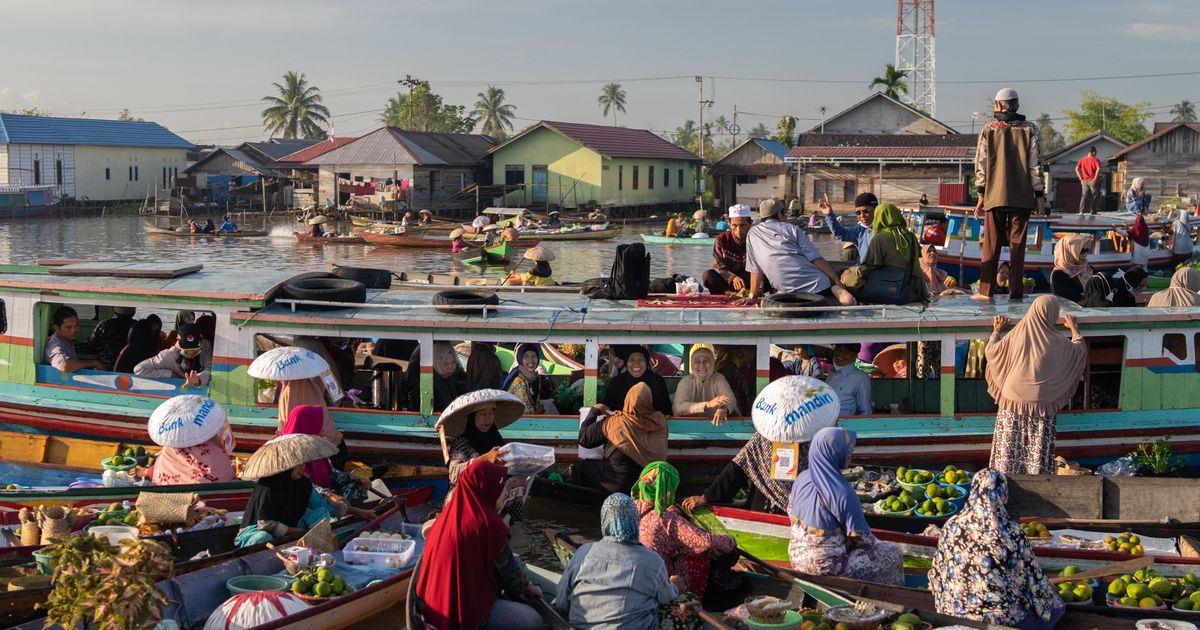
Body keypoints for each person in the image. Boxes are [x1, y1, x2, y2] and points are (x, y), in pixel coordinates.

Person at [415, 460, 543, 630]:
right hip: (463, 617)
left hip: (430, 609)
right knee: (533, 620)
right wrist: (530, 587)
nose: (504, 493)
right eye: (501, 488)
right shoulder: (489, 526)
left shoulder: (444, 518)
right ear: (488, 488)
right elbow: (511, 575)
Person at [928, 469, 1064, 629]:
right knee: (1057, 607)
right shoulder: (1010, 531)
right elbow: (1034, 579)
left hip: (951, 612)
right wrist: (1049, 602)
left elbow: (936, 574)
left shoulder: (951, 525)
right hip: (1000, 620)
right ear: (1003, 495)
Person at [787, 427, 903, 585]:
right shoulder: (843, 493)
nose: (850, 453)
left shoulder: (802, 477)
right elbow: (864, 541)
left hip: (795, 555)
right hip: (825, 567)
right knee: (893, 553)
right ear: (833, 453)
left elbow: (790, 512)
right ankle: (887, 597)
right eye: (847, 450)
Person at [986, 295, 1087, 474]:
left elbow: (992, 351)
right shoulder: (1057, 340)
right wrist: (1074, 330)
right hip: (1041, 404)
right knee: (1037, 448)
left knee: (1009, 449)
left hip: (1012, 399)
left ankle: (1005, 479)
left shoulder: (1018, 332)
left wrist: (996, 331)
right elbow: (1078, 352)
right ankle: (1036, 482)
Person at [555, 493, 684, 630]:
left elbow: (562, 600)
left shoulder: (583, 553)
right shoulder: (653, 561)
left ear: (605, 521)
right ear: (635, 521)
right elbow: (667, 597)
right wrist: (675, 585)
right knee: (686, 602)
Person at [234, 436, 373, 548]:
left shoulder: (303, 483)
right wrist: (299, 532)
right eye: (298, 465)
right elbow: (266, 525)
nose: (303, 468)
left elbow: (324, 507)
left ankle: (305, 545)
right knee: (263, 538)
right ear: (287, 466)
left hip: (289, 528)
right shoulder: (267, 487)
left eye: (303, 463)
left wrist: (359, 512)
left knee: (321, 514)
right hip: (255, 531)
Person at [973, 88, 1045, 302]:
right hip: (1023, 197)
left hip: (994, 196)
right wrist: (1039, 196)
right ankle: (1016, 292)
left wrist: (980, 195)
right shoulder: (1030, 129)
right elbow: (1036, 166)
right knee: (1018, 247)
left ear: (998, 105)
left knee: (991, 246)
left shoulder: (989, 129)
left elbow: (981, 164)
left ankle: (986, 291)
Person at [633, 461, 736, 600]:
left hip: (635, 581)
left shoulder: (629, 507)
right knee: (701, 555)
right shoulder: (668, 519)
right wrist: (730, 541)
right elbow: (706, 543)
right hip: (662, 585)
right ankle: (699, 599)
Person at [745, 198, 856, 306]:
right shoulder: (791, 228)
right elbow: (816, 258)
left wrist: (753, 295)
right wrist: (836, 280)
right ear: (779, 214)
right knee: (835, 277)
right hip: (816, 285)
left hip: (785, 292)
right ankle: (839, 294)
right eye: (784, 213)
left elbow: (755, 269)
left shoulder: (751, 233)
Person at [441, 391, 531, 522]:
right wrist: (483, 459)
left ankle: (507, 523)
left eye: (491, 413)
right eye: (483, 414)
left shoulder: (496, 440)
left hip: (493, 497)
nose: (487, 418)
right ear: (473, 417)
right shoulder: (462, 442)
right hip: (466, 500)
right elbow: (454, 474)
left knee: (519, 479)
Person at [575, 382, 669, 493]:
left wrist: (594, 411)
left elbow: (584, 439)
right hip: (648, 485)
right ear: (649, 401)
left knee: (584, 467)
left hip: (616, 485)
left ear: (628, 399)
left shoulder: (615, 422)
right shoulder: (660, 422)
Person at [683, 432, 804, 515]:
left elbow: (738, 468)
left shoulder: (763, 437)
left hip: (763, 507)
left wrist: (707, 497)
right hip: (804, 512)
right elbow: (738, 468)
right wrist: (708, 497)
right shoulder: (815, 439)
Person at [281, 405, 368, 503]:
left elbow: (332, 473)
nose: (322, 429)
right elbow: (302, 484)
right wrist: (329, 495)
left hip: (323, 492)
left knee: (358, 487)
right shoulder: (287, 452)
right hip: (304, 498)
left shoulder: (315, 445)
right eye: (318, 423)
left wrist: (355, 478)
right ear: (308, 424)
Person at [861, 203, 929, 304]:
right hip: (913, 291)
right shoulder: (911, 236)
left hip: (890, 292)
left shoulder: (879, 238)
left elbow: (868, 267)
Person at [275, 374, 346, 468]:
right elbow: (337, 397)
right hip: (325, 442)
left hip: (293, 447)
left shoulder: (284, 391)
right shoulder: (319, 372)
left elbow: (283, 425)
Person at [151, 421, 236, 485]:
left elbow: (161, 474)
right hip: (219, 494)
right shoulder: (212, 442)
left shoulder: (169, 450)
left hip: (180, 500)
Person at [672, 344, 739, 424]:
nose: (702, 365)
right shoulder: (686, 381)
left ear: (713, 363)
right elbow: (680, 407)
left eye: (706, 361)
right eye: (697, 361)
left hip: (716, 426)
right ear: (692, 364)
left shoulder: (718, 378)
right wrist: (707, 404)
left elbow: (730, 399)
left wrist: (723, 409)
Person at [133, 323, 211, 386]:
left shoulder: (206, 347)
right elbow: (139, 369)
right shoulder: (168, 355)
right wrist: (170, 374)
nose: (191, 354)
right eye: (186, 352)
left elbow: (210, 368)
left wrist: (198, 379)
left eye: (194, 351)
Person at [603, 345, 672, 415]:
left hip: (651, 424)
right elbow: (607, 410)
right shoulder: (616, 382)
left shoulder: (657, 381)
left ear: (647, 362)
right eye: (632, 360)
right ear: (626, 363)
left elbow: (666, 411)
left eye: (641, 359)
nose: (636, 363)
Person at [702, 204, 753, 295]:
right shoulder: (721, 239)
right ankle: (729, 293)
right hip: (728, 282)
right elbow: (718, 265)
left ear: (750, 223)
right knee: (708, 276)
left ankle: (751, 292)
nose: (739, 230)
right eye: (735, 225)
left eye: (743, 225)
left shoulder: (756, 239)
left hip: (750, 282)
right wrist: (733, 278)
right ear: (729, 223)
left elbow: (763, 265)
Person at [823, 192, 877, 263]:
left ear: (875, 210)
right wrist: (829, 215)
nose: (862, 215)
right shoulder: (859, 231)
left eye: (865, 211)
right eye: (858, 213)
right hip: (867, 270)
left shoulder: (886, 230)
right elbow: (840, 234)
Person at [502, 342, 552, 414]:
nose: (531, 360)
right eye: (526, 356)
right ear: (520, 359)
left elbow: (537, 405)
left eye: (534, 356)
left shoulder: (534, 378)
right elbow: (527, 412)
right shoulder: (519, 382)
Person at [1049, 233, 1095, 303]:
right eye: (1081, 251)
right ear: (1069, 251)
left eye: (1087, 250)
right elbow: (1071, 299)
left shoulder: (1088, 269)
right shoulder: (1059, 275)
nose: (1085, 255)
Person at [827, 344, 872, 416]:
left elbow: (865, 411)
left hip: (844, 425)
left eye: (847, 352)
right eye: (839, 350)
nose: (841, 354)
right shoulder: (831, 372)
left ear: (854, 357)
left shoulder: (860, 377)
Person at [1075, 146, 1102, 216]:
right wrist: (1095, 178)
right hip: (1092, 180)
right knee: (1094, 195)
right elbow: (1098, 168)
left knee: (1084, 196)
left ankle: (1081, 211)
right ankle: (1093, 211)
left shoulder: (1082, 159)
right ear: (1094, 152)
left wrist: (1080, 178)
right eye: (1095, 152)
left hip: (1084, 180)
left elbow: (1077, 169)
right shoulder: (1095, 160)